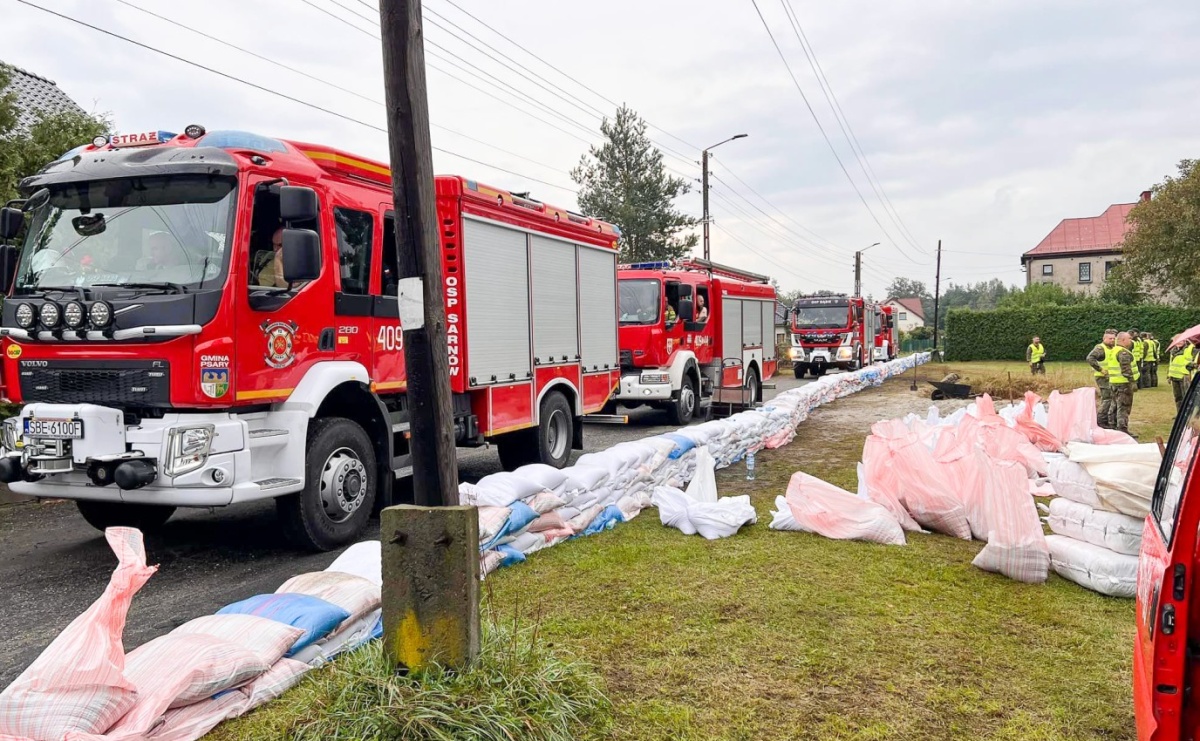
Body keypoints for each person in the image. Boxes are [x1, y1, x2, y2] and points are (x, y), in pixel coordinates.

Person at [1086, 329, 1118, 429]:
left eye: (1114, 338)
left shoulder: (1112, 348)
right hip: (1102, 377)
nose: (1112, 340)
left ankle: (1109, 420)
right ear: (1104, 339)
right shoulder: (1100, 348)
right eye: (1110, 338)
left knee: (1112, 399)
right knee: (1107, 399)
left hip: (1111, 377)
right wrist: (1100, 369)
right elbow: (1090, 358)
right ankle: (1101, 421)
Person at [1110, 332, 1138, 436]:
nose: (1131, 341)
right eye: (1129, 339)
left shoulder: (1113, 350)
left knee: (1115, 405)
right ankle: (1122, 429)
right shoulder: (1123, 352)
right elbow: (1126, 369)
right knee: (1123, 407)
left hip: (1114, 382)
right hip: (1123, 383)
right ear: (1123, 340)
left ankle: (1112, 425)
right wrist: (1132, 382)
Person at [1168, 339, 1197, 411]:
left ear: (1185, 341)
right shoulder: (1173, 351)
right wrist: (1168, 375)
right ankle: (1179, 414)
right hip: (1174, 376)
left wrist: (1190, 366)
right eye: (1177, 341)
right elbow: (1171, 364)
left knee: (1186, 397)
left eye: (1181, 341)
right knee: (1177, 397)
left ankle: (1186, 414)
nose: (1179, 342)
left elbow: (1195, 361)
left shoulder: (1190, 348)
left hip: (1184, 376)